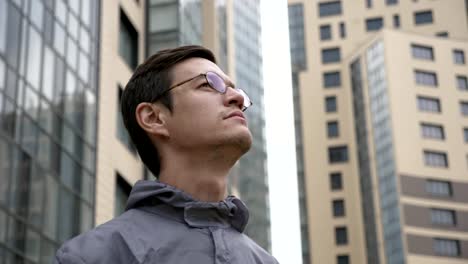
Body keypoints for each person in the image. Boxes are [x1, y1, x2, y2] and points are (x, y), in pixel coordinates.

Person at [54, 45, 279, 264]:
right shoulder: (94, 256)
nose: (237, 98)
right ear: (153, 118)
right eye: (209, 84)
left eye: (237, 90)